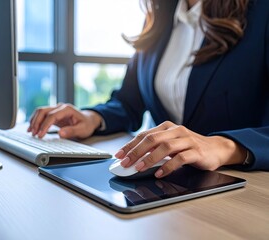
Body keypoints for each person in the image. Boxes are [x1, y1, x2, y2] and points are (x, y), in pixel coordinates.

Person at [28, 0, 269, 178]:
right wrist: (92, 118)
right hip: (167, 186)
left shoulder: (262, 13)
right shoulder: (161, 15)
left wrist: (224, 146)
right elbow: (128, 103)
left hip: (241, 188)